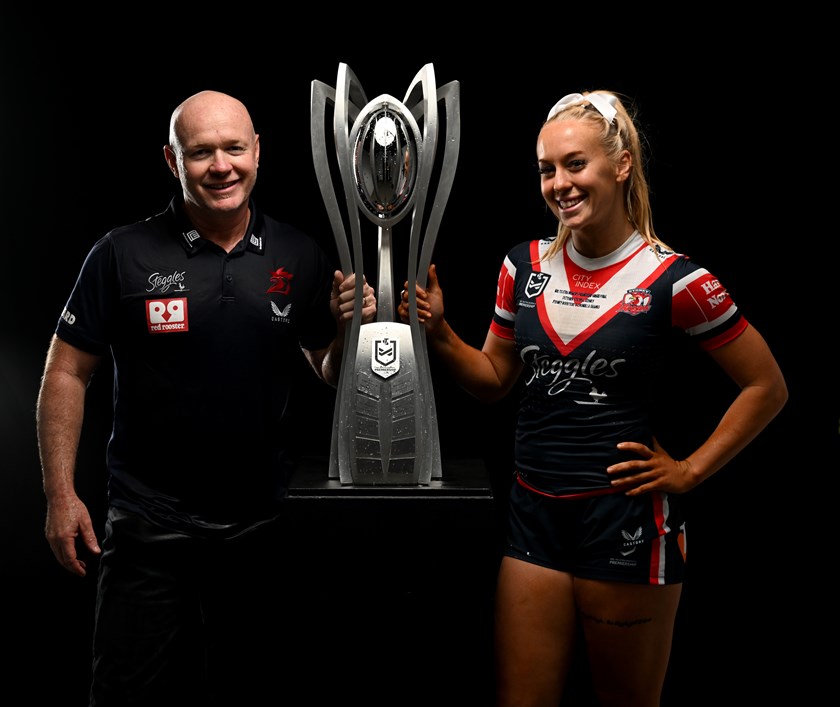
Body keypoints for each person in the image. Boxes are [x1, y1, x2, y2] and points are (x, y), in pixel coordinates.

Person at [398, 90, 788, 706]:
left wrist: (687, 470)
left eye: (574, 164)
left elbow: (766, 386)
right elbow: (495, 381)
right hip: (535, 514)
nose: (559, 183)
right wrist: (441, 334)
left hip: (625, 522)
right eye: (547, 169)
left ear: (622, 163)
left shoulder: (675, 279)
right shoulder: (522, 266)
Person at [36, 89, 376, 707]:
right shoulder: (121, 253)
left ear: (257, 152)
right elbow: (65, 372)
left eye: (233, 148)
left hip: (260, 525)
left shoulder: (298, 254)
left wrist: (348, 328)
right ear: (173, 161)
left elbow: (328, 371)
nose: (221, 165)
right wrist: (61, 494)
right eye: (201, 152)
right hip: (147, 524)